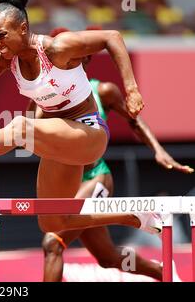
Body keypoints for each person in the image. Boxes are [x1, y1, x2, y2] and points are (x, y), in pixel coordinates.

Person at [0, 0, 161, 236]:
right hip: (58, 138)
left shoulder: (57, 48)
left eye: (1, 35)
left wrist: (132, 90)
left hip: (89, 132)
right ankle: (134, 218)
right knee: (52, 222)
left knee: (21, 128)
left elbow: (113, 37)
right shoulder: (4, 58)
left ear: (22, 28)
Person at [36, 27, 193, 282]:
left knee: (52, 243)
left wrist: (159, 150)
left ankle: (136, 218)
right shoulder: (48, 94)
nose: (55, 63)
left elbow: (134, 121)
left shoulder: (104, 91)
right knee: (107, 257)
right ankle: (164, 273)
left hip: (95, 178)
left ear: (83, 58)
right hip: (67, 185)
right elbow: (30, 126)